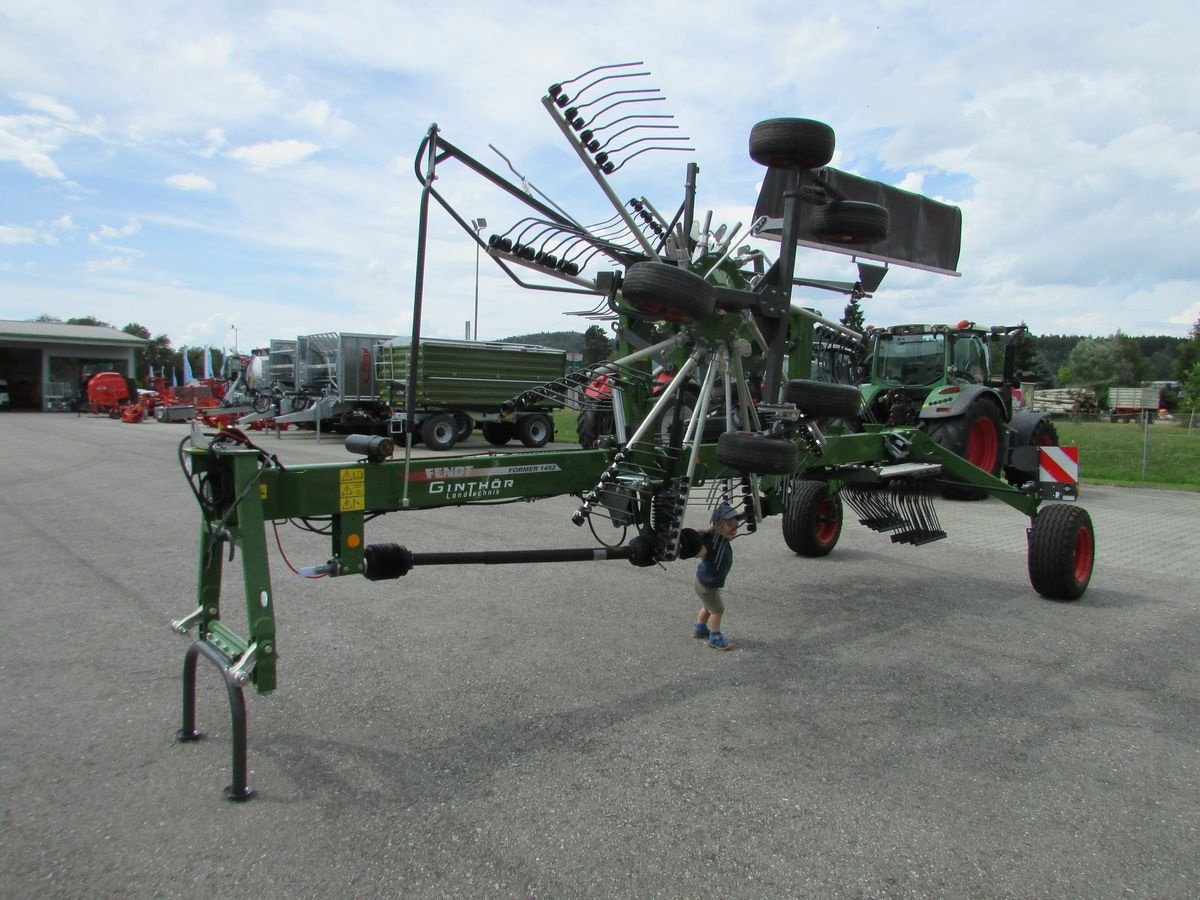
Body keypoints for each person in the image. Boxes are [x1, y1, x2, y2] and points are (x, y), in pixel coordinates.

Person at [693, 501, 741, 651]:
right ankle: (715, 637)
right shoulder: (711, 541)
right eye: (729, 524)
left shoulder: (719, 537)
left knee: (708, 606)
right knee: (718, 608)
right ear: (718, 525)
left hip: (704, 581)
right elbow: (698, 552)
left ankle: (700, 629)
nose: (733, 528)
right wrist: (693, 542)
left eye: (735, 524)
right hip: (707, 584)